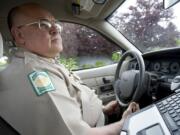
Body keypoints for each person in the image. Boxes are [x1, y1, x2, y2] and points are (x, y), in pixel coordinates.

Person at [0, 3, 139, 135]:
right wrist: (124, 123)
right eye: (43, 24)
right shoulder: (36, 74)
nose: (55, 29)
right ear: (19, 35)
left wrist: (103, 110)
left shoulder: (44, 62)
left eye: (55, 23)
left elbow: (72, 100)